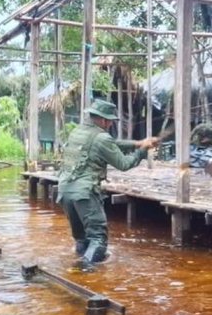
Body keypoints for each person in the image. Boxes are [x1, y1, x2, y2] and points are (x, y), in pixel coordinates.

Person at [56, 100, 158, 267]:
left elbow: (112, 143)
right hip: (84, 193)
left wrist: (137, 143)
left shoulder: (78, 131)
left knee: (82, 238)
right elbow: (124, 164)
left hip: (65, 191)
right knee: (98, 239)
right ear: (103, 120)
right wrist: (142, 151)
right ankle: (83, 272)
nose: (111, 124)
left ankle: (76, 269)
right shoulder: (102, 138)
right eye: (110, 120)